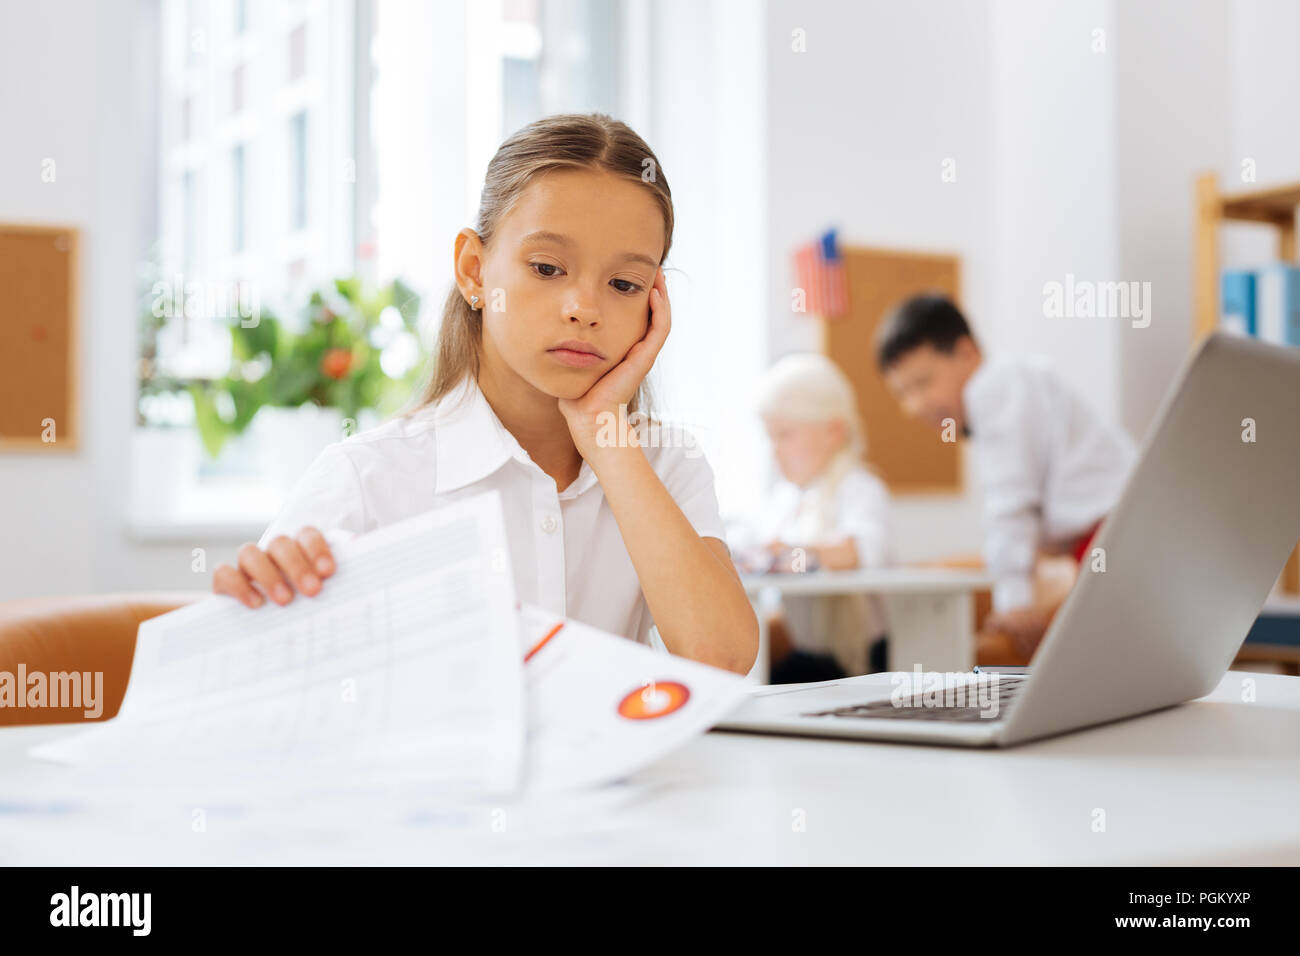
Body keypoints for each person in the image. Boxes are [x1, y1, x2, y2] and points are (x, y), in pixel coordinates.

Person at [211, 113, 757, 675]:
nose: (584, 308)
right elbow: (255, 678)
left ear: (654, 302)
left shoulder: (666, 465)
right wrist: (261, 621)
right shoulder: (367, 480)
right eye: (547, 268)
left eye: (624, 285)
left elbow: (721, 658)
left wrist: (606, 438)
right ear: (474, 271)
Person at [876, 294, 1136, 659]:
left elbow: (1011, 503)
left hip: (1115, 536)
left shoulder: (992, 386)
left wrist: (1013, 601)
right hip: (1118, 532)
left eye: (922, 383)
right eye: (902, 393)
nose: (915, 405)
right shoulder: (1016, 382)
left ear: (966, 352)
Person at [729, 353, 891, 682]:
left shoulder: (860, 487)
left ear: (833, 432)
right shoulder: (784, 498)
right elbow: (743, 541)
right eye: (770, 436)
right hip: (807, 655)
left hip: (865, 659)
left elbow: (860, 550)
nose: (775, 450)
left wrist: (791, 555)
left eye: (785, 435)